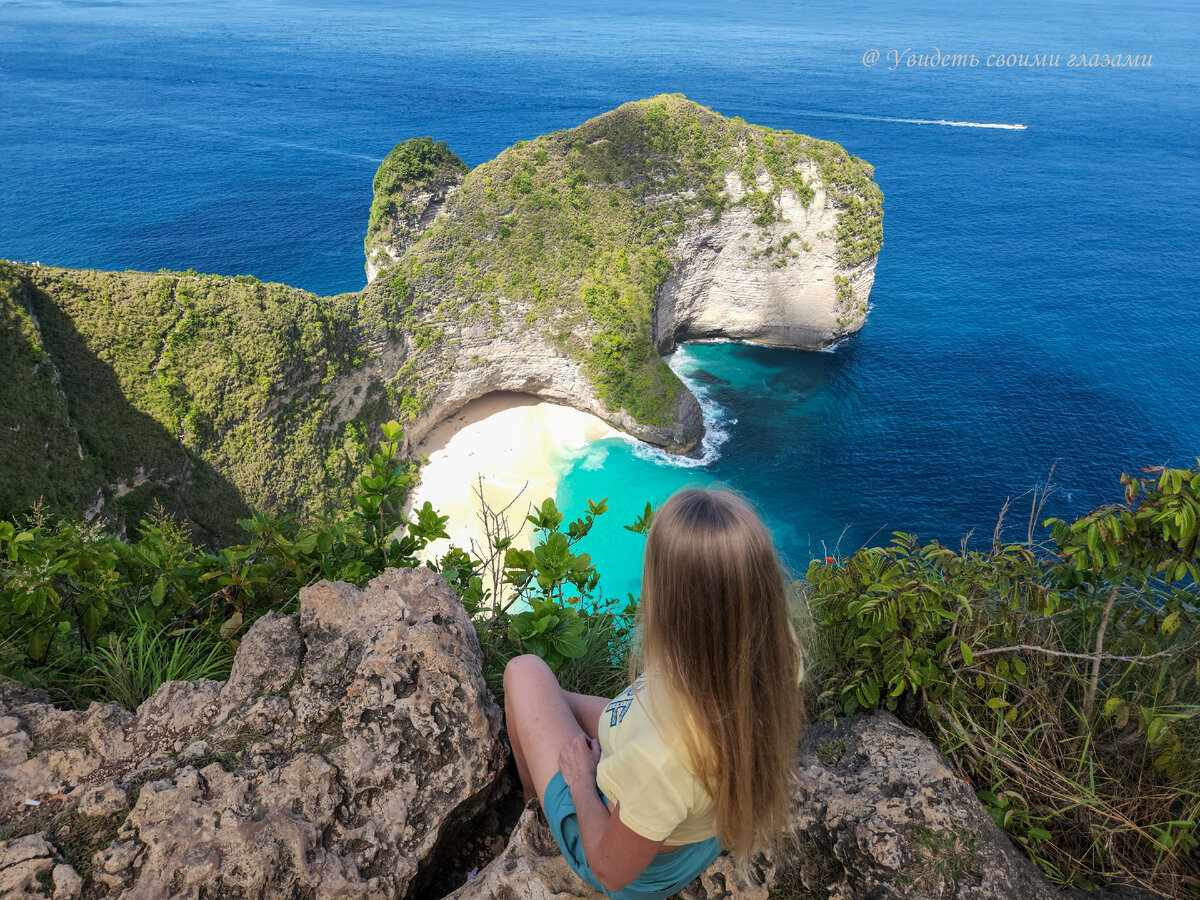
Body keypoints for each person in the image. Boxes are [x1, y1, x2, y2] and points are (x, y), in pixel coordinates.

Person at [503, 487, 806, 899]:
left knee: (524, 672)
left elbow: (611, 871)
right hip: (701, 828)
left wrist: (579, 781)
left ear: (671, 602)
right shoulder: (766, 657)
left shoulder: (662, 757)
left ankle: (532, 803)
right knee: (549, 695)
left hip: (640, 863)